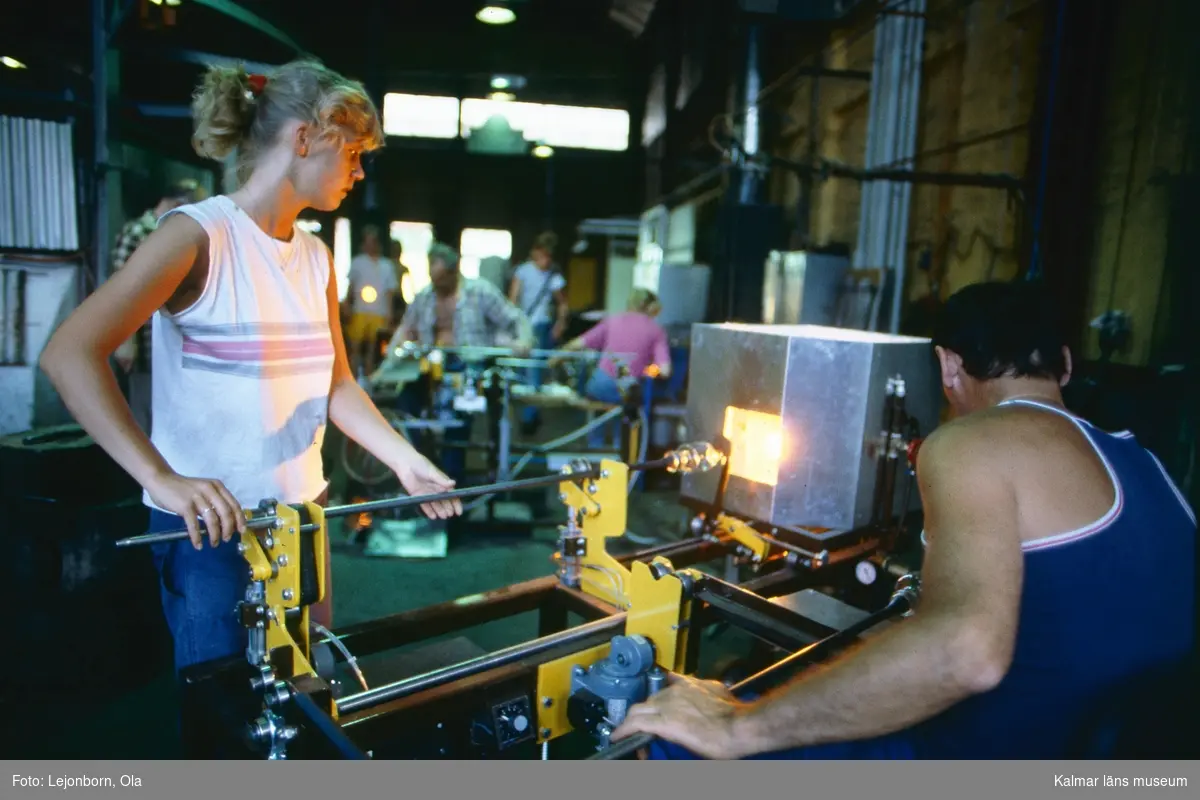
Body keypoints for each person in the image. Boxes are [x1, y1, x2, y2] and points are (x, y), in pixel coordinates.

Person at [612, 280, 1196, 759]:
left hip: (992, 751)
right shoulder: (1144, 461)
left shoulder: (969, 442)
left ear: (947, 365)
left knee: (672, 744)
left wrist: (732, 727)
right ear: (1064, 366)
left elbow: (964, 653)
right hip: (1122, 758)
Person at [38, 59, 462, 675]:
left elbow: (335, 383)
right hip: (214, 528)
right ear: (305, 138)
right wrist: (161, 479)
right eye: (353, 152)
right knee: (227, 718)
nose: (359, 171)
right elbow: (70, 353)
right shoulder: (197, 236)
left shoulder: (315, 256)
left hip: (302, 515)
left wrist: (405, 460)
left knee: (304, 697)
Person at [374, 242, 534, 483]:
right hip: (430, 367)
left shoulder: (480, 292)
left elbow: (515, 318)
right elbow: (406, 329)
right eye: (433, 278)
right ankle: (423, 461)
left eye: (441, 279)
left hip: (468, 367)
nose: (437, 285)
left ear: (454, 271)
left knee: (457, 421)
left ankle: (451, 478)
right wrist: (386, 366)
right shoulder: (425, 297)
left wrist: (523, 341)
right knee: (405, 404)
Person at [110, 178, 208, 433]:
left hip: (174, 342)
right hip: (145, 342)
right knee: (146, 413)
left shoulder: (176, 237)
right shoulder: (138, 233)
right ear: (176, 204)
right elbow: (121, 292)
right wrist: (125, 342)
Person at [553, 288, 671, 449]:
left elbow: (577, 344)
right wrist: (645, 369)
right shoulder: (656, 330)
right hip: (626, 391)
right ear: (651, 307)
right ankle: (619, 453)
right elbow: (665, 370)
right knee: (625, 411)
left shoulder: (612, 321)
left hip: (600, 386)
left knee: (597, 408)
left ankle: (594, 449)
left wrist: (553, 360)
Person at [508, 231, 569, 432]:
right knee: (525, 370)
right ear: (536, 252)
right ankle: (527, 415)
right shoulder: (523, 271)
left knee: (535, 372)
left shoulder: (553, 275)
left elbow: (562, 303)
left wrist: (560, 324)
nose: (546, 261)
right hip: (525, 325)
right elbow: (513, 300)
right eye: (543, 256)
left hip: (542, 326)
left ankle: (529, 417)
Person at [343, 224, 399, 377]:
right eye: (367, 241)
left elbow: (389, 292)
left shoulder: (387, 266)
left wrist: (389, 313)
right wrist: (347, 305)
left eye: (372, 241)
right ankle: (352, 378)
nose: (370, 245)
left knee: (373, 349)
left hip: (379, 312)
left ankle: (369, 380)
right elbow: (351, 287)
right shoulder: (358, 262)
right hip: (359, 311)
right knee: (355, 347)